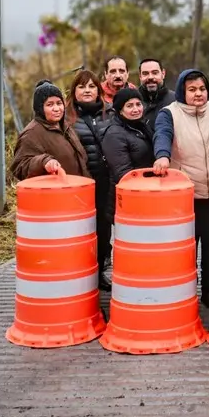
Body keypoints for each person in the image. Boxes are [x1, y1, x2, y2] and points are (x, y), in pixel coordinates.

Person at [153, 68, 209, 309]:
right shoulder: (170, 114)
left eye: (202, 89)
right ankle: (182, 291)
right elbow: (162, 135)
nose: (198, 94)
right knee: (184, 247)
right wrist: (162, 156)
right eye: (192, 90)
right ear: (181, 92)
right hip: (185, 195)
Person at [67, 69, 115, 289]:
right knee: (82, 231)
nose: (87, 91)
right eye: (82, 86)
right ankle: (81, 276)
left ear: (98, 90)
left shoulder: (110, 113)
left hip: (106, 183)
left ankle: (99, 274)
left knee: (104, 231)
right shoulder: (67, 117)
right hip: (81, 183)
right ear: (74, 91)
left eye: (91, 86)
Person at [11, 80, 89, 180]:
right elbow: (19, 167)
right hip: (53, 193)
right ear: (40, 108)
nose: (56, 108)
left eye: (59, 103)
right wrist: (43, 162)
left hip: (77, 190)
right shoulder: (31, 133)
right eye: (50, 104)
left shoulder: (66, 126)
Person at [99, 87, 155, 219]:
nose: (136, 109)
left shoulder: (142, 127)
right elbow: (123, 174)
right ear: (120, 110)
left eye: (138, 104)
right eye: (129, 106)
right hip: (129, 199)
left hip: (147, 194)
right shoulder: (114, 134)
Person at [138, 57, 175, 135]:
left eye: (155, 73)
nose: (150, 77)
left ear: (163, 74)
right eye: (145, 73)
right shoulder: (132, 101)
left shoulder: (175, 101)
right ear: (140, 76)